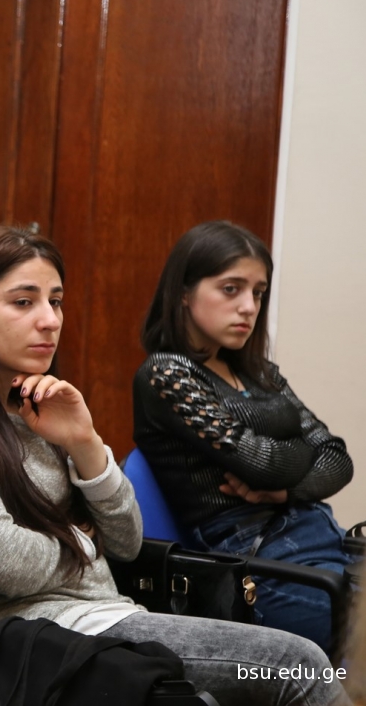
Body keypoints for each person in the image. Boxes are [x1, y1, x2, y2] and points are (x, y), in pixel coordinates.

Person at [0, 224, 349, 706]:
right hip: (30, 637)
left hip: (101, 618)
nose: (49, 320)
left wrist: (84, 442)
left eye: (56, 301)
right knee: (300, 664)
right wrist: (86, 542)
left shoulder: (40, 401)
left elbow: (127, 540)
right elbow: (1, 561)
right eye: (23, 302)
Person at [134, 220, 353, 653]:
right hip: (261, 563)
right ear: (184, 292)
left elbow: (337, 458)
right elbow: (262, 466)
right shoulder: (166, 373)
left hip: (319, 538)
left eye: (258, 292)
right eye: (231, 289)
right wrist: (298, 452)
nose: (249, 307)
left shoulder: (260, 373)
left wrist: (285, 492)